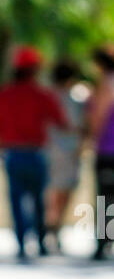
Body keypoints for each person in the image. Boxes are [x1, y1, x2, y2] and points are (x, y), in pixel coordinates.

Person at [0, 46, 67, 259]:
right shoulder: (41, 94)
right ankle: (40, 242)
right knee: (39, 200)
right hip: (36, 153)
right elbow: (60, 121)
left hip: (13, 154)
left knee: (16, 199)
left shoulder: (4, 94)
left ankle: (21, 244)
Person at [45, 59, 86, 252]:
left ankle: (52, 225)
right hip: (67, 150)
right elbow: (81, 126)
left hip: (50, 148)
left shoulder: (46, 96)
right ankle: (55, 225)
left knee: (51, 191)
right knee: (63, 191)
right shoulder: (77, 98)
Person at [87, 45, 114, 261]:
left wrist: (91, 139)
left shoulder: (107, 83)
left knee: (105, 198)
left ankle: (103, 242)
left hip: (108, 150)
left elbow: (98, 117)